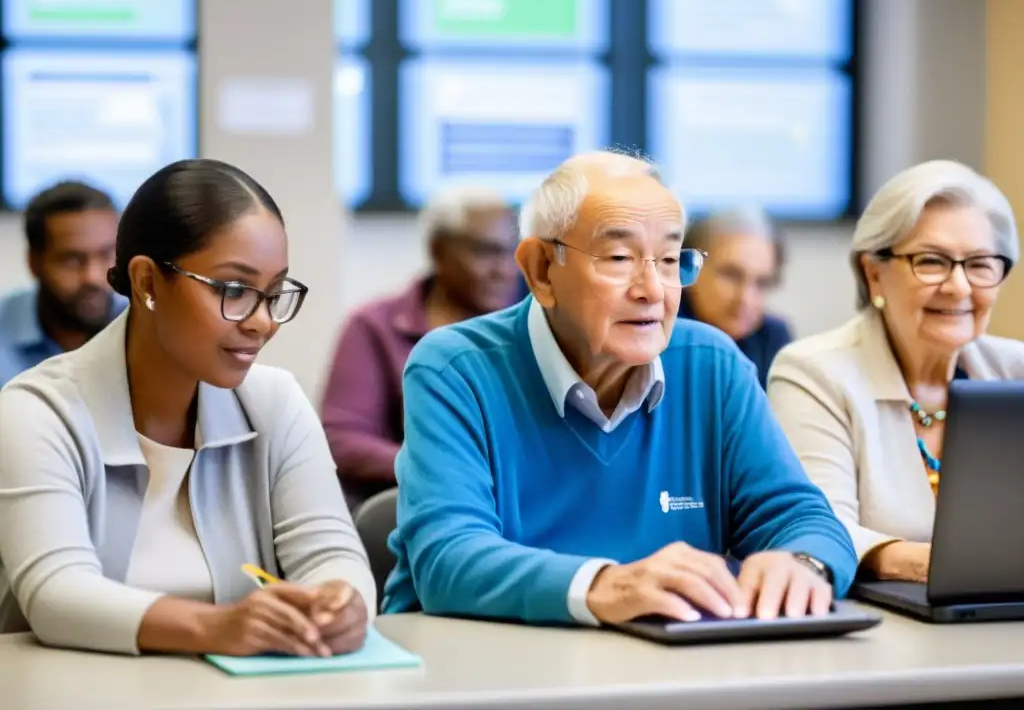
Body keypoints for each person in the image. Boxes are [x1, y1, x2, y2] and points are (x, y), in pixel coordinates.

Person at [382, 151, 857, 626]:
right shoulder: (454, 368)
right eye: (619, 258)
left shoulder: (712, 363)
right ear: (542, 270)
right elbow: (447, 559)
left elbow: (806, 520)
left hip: (666, 675)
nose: (653, 290)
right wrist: (606, 585)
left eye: (670, 260)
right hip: (481, 674)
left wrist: (803, 563)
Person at [0, 159, 374, 657]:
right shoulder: (36, 412)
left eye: (273, 292)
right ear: (148, 283)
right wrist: (217, 628)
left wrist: (342, 604)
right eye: (235, 290)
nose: (264, 322)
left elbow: (333, 554)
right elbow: (57, 595)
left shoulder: (275, 401)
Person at [768, 160, 1024, 583]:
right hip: (880, 623)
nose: (959, 287)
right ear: (874, 274)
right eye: (931, 261)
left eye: (980, 264)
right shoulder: (813, 374)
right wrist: (924, 564)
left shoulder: (1015, 372)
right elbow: (817, 529)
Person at [320, 186, 520, 510]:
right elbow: (341, 439)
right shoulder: (374, 326)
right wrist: (439, 468)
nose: (505, 270)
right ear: (438, 250)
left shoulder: (531, 330)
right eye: (486, 252)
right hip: (411, 507)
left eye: (511, 252)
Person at [0, 181, 125, 387]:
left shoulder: (148, 328)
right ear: (34, 262)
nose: (92, 277)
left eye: (106, 255)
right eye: (71, 260)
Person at [678, 208, 793, 388]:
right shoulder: (660, 330)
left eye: (761, 283)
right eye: (731, 275)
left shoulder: (772, 337)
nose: (745, 298)